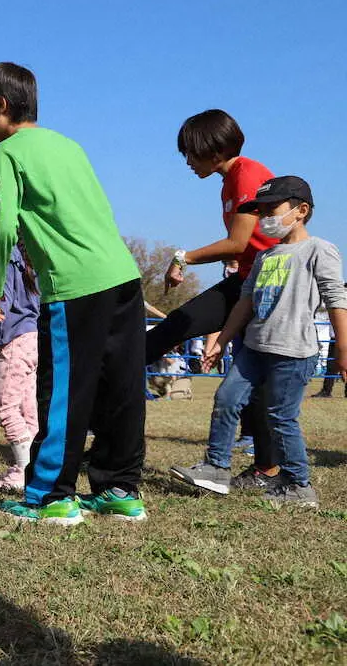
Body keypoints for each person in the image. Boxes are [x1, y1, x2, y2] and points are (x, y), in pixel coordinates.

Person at [0, 62, 146, 524]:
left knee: (63, 390)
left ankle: (52, 496)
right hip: (122, 274)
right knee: (120, 388)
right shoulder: (69, 145)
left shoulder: (9, 151)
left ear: (1, 106)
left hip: (75, 285)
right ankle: (120, 488)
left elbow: (0, 226)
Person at [172, 177, 347, 507]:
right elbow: (244, 303)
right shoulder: (265, 257)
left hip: (293, 352)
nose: (264, 217)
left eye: (272, 209)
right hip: (254, 348)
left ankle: (299, 486)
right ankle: (216, 468)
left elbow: (336, 298)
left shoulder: (319, 250)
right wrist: (221, 340)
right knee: (226, 398)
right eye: (260, 210)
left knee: (281, 418)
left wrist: (344, 351)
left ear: (302, 210)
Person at [147, 109, 282, 488]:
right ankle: (108, 414)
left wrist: (183, 258)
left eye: (191, 153)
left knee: (255, 375)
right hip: (244, 279)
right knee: (173, 326)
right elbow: (243, 248)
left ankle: (268, 469)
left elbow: (240, 242)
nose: (188, 161)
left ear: (215, 148)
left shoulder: (248, 174)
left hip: (266, 285)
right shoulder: (228, 181)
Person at [0, 243, 40, 492]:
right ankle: (31, 469)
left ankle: (23, 470)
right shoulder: (34, 259)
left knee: (6, 408)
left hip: (14, 340)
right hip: (33, 338)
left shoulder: (4, 259)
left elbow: (2, 303)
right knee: (28, 410)